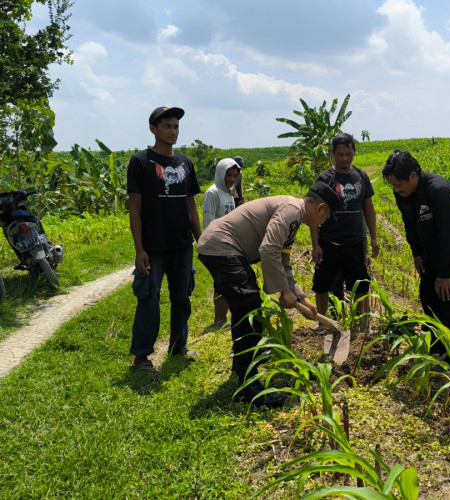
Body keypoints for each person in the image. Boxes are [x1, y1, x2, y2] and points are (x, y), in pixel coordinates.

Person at [197, 181, 341, 407]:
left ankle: (242, 365)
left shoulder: (293, 216)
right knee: (249, 304)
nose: (323, 223)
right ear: (320, 208)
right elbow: (268, 249)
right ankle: (249, 384)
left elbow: (282, 260)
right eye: (326, 218)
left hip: (225, 247)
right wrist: (284, 292)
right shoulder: (292, 210)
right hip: (221, 246)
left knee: (246, 306)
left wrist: (301, 297)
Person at [127, 106, 202, 372]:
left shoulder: (185, 163)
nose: (173, 131)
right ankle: (142, 356)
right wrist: (139, 248)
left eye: (176, 127)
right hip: (153, 246)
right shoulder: (140, 162)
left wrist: (200, 240)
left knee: (182, 297)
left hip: (181, 245)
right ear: (153, 129)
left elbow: (191, 205)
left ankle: (178, 346)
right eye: (167, 126)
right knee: (149, 298)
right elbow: (134, 207)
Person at [382, 150, 450, 359]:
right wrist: (417, 252)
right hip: (430, 240)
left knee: (448, 295)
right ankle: (434, 344)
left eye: (398, 184)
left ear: (413, 176)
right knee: (428, 293)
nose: (395, 190)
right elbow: (410, 224)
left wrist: (445, 273)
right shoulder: (403, 193)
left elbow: (448, 233)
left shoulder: (438, 191)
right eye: (393, 185)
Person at [311, 133, 379, 331]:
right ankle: (322, 323)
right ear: (333, 154)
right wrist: (315, 244)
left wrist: (374, 238)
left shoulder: (361, 177)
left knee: (361, 285)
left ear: (354, 152)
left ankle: (362, 324)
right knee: (322, 284)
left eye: (348, 154)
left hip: (354, 242)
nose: (344, 159)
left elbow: (368, 208)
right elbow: (314, 213)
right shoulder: (324, 178)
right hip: (329, 242)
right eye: (340, 154)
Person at [201, 158, 241, 328]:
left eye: (234, 175)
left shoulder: (229, 192)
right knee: (221, 283)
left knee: (228, 282)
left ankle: (224, 319)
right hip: (217, 245)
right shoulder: (213, 193)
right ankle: (219, 321)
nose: (231, 179)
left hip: (229, 244)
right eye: (228, 175)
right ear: (220, 174)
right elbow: (209, 221)